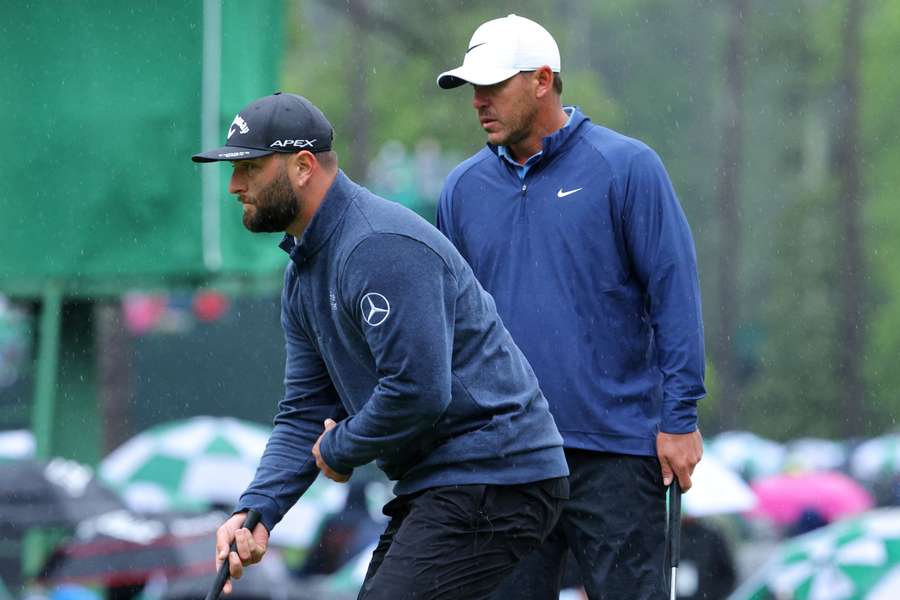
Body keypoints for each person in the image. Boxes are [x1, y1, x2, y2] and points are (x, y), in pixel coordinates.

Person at [191, 92, 569, 599]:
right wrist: (255, 510)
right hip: (446, 481)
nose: (235, 185)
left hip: (497, 474)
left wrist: (340, 447)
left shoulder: (375, 246)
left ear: (303, 167)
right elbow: (305, 409)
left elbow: (418, 390)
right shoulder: (303, 273)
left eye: (251, 169)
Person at [435, 14, 706, 599]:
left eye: (493, 85)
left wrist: (680, 417)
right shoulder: (461, 190)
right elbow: (448, 325)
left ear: (541, 79)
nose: (479, 101)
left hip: (614, 452)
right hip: (505, 457)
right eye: (472, 88)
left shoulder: (627, 168)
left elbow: (674, 297)